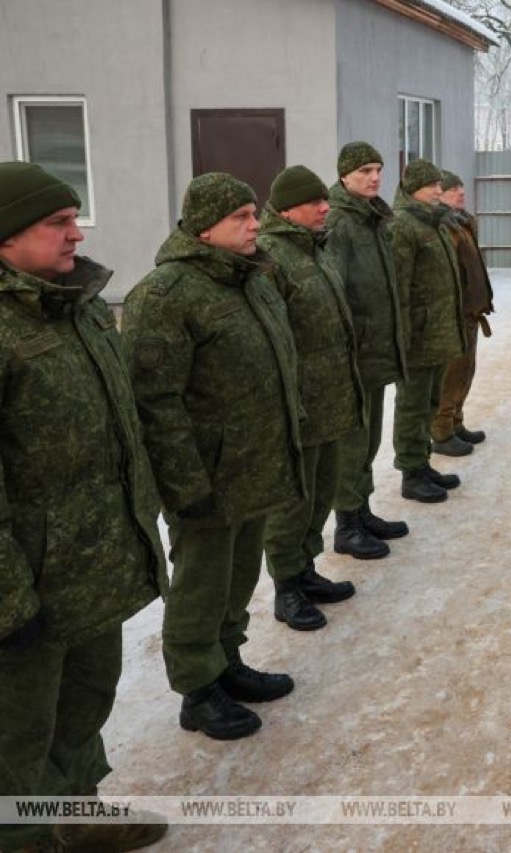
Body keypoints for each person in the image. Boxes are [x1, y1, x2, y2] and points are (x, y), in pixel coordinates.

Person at [0, 162, 168, 851]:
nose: (78, 233)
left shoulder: (82, 306)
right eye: (58, 222)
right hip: (24, 590)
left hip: (91, 568)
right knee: (17, 744)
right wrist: (9, 602)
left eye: (75, 218)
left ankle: (77, 815)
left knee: (84, 705)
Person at [123, 172, 304, 741]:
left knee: (239, 575)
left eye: (254, 213)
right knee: (201, 585)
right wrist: (185, 486)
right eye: (240, 217)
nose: (255, 225)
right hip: (206, 478)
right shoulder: (164, 296)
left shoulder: (250, 279)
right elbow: (154, 402)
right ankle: (198, 690)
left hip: (255, 465)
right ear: (205, 228)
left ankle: (227, 661)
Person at [259, 166, 364, 631]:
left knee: (320, 493)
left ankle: (305, 569)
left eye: (325, 199)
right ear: (286, 210)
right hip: (300, 406)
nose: (325, 208)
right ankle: (286, 586)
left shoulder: (314, 249)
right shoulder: (271, 258)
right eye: (314, 202)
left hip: (330, 400)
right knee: (294, 502)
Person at [324, 142, 410, 559]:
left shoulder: (371, 217)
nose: (374, 177)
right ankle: (347, 524)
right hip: (354, 355)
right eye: (364, 171)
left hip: (374, 351)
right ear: (344, 175)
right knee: (352, 443)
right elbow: (334, 291)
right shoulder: (339, 222)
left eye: (378, 169)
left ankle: (362, 510)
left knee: (370, 438)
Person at [387, 160, 467, 501]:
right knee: (413, 405)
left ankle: (422, 464)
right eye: (431, 185)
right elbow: (399, 286)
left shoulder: (432, 222)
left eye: (439, 184)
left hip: (437, 332)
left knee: (431, 401)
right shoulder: (403, 226)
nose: (438, 190)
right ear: (413, 189)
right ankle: (410, 472)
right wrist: (404, 336)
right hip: (418, 337)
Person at [432, 170, 495, 454]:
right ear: (439, 195)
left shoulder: (463, 223)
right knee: (451, 374)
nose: (460, 192)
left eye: (461, 187)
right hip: (453, 315)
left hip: (470, 312)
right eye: (452, 189)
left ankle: (456, 422)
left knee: (465, 371)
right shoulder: (443, 228)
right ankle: (442, 432)